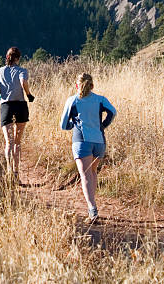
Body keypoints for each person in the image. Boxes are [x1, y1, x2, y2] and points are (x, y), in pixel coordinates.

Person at [60, 72, 116, 222]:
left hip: (81, 142)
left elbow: (63, 125)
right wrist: (102, 126)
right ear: (92, 85)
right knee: (92, 172)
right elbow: (113, 112)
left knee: (85, 175)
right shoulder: (100, 99)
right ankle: (93, 205)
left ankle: (92, 209)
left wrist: (73, 124)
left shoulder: (72, 100)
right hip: (99, 142)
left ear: (77, 85)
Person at [0, 47, 34, 179]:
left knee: (9, 142)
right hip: (20, 105)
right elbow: (23, 81)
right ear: (18, 58)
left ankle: (9, 172)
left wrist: (0, 91)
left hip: (6, 106)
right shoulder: (22, 70)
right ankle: (16, 173)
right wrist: (28, 94)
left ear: (6, 57)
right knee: (17, 142)